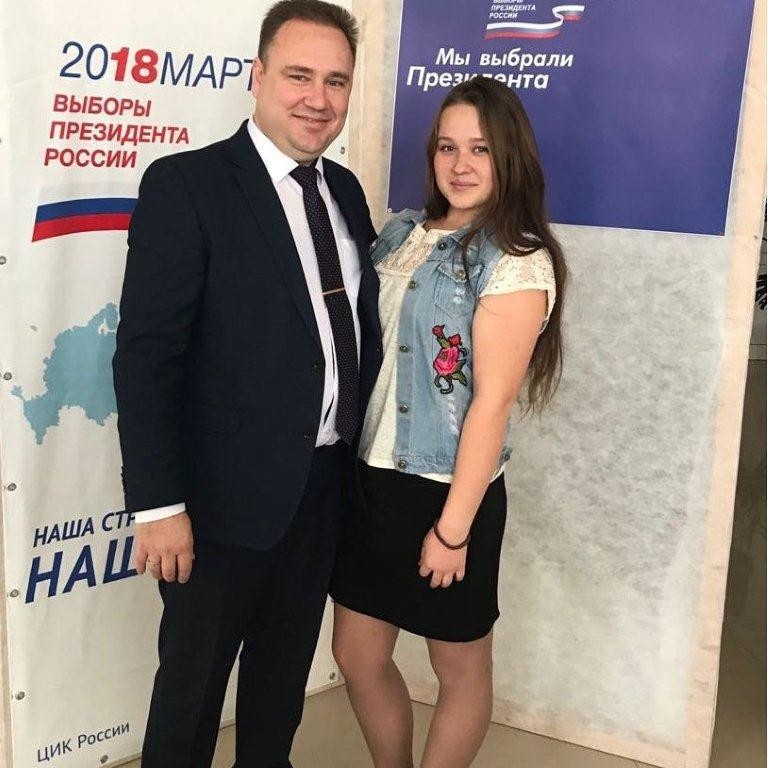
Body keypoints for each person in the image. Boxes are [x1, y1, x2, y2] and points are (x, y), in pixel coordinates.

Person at [111, 1, 381, 766]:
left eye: (336, 81)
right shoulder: (188, 185)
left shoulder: (345, 191)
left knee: (279, 691)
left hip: (322, 488)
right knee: (190, 697)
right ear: (257, 76)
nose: (318, 98)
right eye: (299, 75)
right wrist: (159, 506)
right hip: (217, 504)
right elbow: (146, 355)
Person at [329, 77, 567, 768]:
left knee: (458, 666)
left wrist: (453, 529)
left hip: (448, 491)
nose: (461, 165)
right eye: (447, 147)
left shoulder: (515, 259)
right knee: (356, 653)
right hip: (371, 479)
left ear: (510, 156)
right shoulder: (401, 233)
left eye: (480, 149)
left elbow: (491, 404)